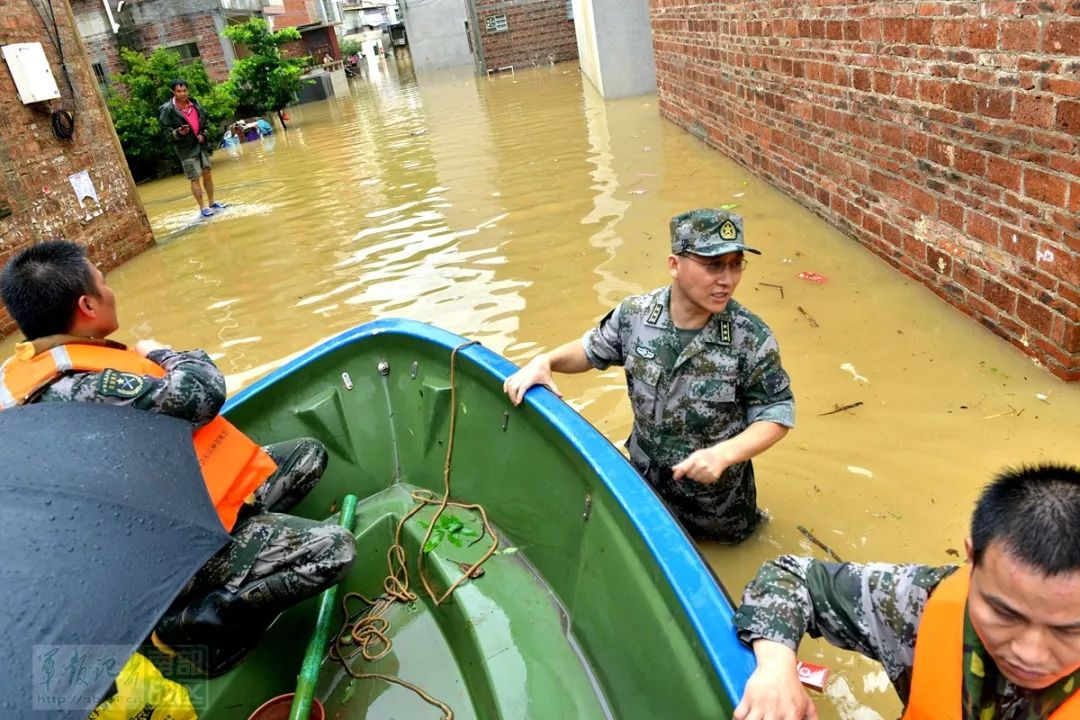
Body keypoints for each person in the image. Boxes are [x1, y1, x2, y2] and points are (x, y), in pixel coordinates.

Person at [0, 241, 356, 676]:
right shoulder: (74, 389)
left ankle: (237, 548)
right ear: (87, 304)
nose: (112, 291)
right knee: (334, 550)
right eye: (104, 282)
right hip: (160, 554)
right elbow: (201, 394)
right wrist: (164, 353)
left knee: (306, 458)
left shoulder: (41, 370)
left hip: (167, 509)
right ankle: (184, 624)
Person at [503, 208, 794, 543]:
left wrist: (722, 455)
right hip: (645, 492)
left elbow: (776, 415)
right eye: (714, 265)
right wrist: (546, 361)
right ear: (674, 265)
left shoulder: (751, 337)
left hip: (717, 510)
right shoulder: (636, 316)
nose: (727, 279)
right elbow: (591, 349)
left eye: (735, 263)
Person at [733, 462, 1080, 720]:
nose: (1031, 654)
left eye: (1070, 629)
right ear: (972, 559)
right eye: (1005, 614)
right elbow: (790, 578)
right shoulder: (916, 602)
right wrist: (776, 668)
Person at [158, 80, 222, 219]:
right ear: (173, 92)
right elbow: (164, 132)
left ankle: (212, 203)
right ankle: (203, 208)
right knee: (194, 178)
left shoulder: (195, 104)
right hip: (185, 149)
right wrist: (178, 133)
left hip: (200, 144)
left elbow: (206, 122)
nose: (182, 94)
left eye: (184, 91)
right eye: (179, 91)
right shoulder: (168, 109)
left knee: (207, 173)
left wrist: (204, 135)